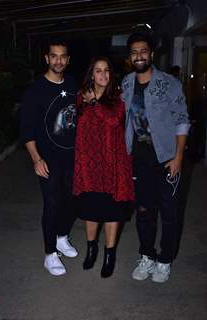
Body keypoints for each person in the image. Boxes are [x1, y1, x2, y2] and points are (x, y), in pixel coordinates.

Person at [122, 31, 190, 283]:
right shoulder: (127, 83)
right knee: (143, 211)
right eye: (134, 52)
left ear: (151, 54)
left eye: (143, 51)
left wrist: (179, 157)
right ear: (130, 57)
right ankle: (147, 255)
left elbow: (182, 120)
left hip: (167, 159)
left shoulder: (169, 83)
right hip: (138, 160)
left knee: (169, 213)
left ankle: (165, 260)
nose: (139, 56)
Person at [20, 38, 78, 276]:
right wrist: (36, 159)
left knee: (73, 202)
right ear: (47, 58)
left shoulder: (73, 84)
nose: (58, 60)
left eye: (62, 56)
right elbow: (26, 129)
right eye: (54, 56)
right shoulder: (35, 90)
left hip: (73, 157)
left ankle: (62, 236)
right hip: (48, 159)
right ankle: (50, 253)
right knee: (52, 204)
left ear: (68, 59)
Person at [73, 56, 135, 278]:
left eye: (106, 70)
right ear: (91, 74)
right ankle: (92, 249)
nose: (103, 75)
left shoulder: (118, 99)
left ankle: (110, 255)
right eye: (98, 71)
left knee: (111, 212)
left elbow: (113, 121)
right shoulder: (80, 98)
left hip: (112, 167)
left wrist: (94, 103)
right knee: (91, 211)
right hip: (89, 168)